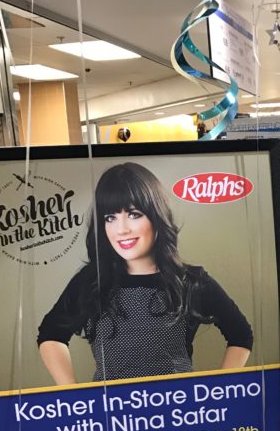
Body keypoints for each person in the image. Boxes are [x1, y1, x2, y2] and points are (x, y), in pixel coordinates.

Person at [38, 162, 253, 384]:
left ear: (156, 216)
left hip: (179, 411)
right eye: (110, 217)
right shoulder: (92, 280)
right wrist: (74, 394)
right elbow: (50, 335)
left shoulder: (191, 282)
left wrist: (220, 392)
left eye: (133, 214)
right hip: (112, 413)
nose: (121, 229)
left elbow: (241, 335)